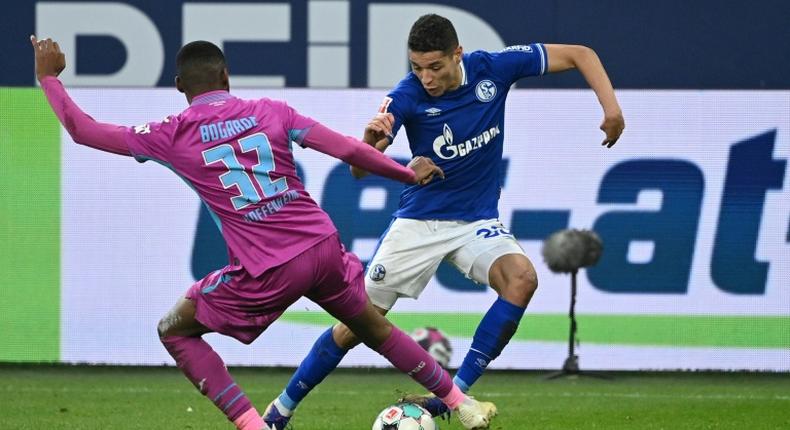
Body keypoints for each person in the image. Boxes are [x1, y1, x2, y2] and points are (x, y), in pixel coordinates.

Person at [31, 35, 494, 430]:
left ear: (179, 87)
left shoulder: (171, 133)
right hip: (322, 246)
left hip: (268, 267)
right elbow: (347, 148)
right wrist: (406, 174)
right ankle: (463, 406)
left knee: (174, 330)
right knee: (372, 326)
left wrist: (49, 77)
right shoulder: (271, 110)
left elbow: (82, 130)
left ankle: (255, 425)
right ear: (227, 77)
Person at [264, 13, 625, 426]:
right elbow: (359, 170)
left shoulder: (494, 69)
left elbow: (581, 54)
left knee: (522, 279)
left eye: (435, 67)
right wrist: (371, 143)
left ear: (458, 55)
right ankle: (281, 409)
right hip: (420, 221)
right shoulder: (406, 95)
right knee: (356, 325)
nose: (426, 78)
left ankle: (458, 397)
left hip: (475, 220)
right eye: (417, 67)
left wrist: (611, 108)